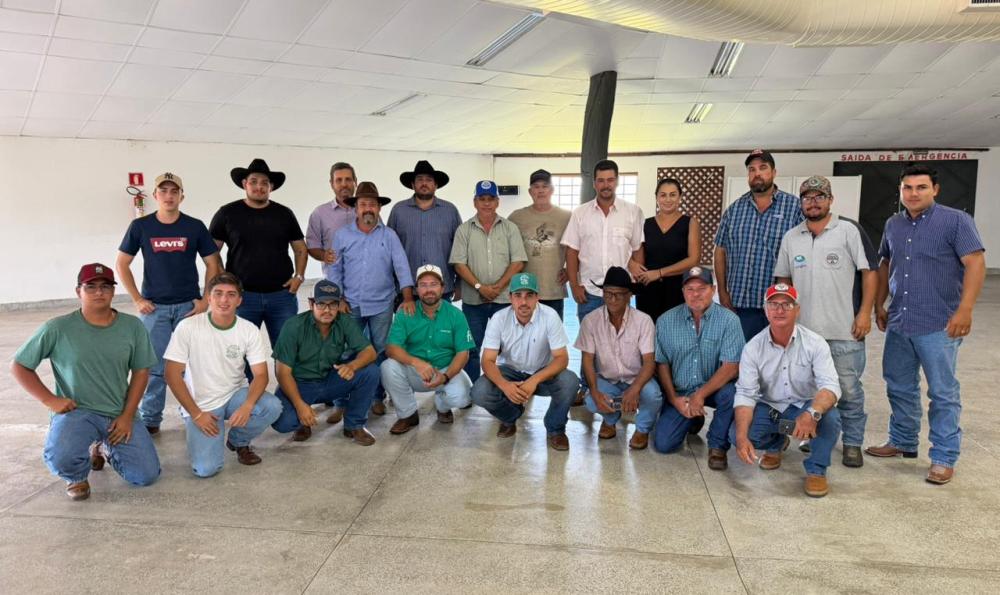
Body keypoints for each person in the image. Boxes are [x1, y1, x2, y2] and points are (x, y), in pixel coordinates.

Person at [866, 164, 985, 485]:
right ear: (900, 190)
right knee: (899, 386)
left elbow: (975, 263)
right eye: (907, 187)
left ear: (935, 189)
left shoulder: (956, 221)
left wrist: (965, 309)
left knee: (943, 392)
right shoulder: (893, 224)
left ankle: (944, 457)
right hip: (900, 320)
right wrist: (879, 304)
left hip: (939, 323)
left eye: (921, 187)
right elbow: (885, 263)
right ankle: (903, 440)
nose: (913, 193)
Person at [11, 263, 160, 500]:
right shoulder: (58, 328)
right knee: (62, 456)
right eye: (91, 286)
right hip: (77, 412)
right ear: (78, 291)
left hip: (118, 412)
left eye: (105, 286)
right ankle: (77, 476)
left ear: (113, 291)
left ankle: (104, 448)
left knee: (145, 475)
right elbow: (20, 366)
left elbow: (141, 372)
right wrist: (50, 400)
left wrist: (127, 416)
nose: (99, 292)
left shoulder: (132, 326)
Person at [774, 175, 877, 468]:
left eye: (819, 197)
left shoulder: (848, 230)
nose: (813, 202)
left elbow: (869, 272)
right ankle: (813, 437)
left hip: (843, 330)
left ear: (830, 200)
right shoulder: (792, 237)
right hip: (804, 334)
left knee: (848, 391)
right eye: (807, 198)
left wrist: (864, 313)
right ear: (801, 203)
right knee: (807, 391)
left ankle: (852, 443)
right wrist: (784, 321)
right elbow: (783, 280)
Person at [116, 172, 222, 434]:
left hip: (189, 308)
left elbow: (212, 263)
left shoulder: (194, 227)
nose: (169, 196)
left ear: (182, 196)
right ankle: (151, 420)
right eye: (163, 191)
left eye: (174, 191)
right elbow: (122, 263)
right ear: (155, 196)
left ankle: (196, 414)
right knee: (153, 369)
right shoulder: (141, 227)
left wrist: (206, 300)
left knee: (195, 366)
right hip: (155, 309)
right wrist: (137, 299)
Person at [163, 273, 282, 477]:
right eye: (218, 294)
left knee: (271, 406)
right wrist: (196, 414)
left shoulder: (248, 330)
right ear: (209, 298)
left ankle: (238, 441)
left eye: (231, 294)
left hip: (234, 394)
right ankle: (198, 430)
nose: (224, 300)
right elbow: (171, 374)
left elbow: (261, 374)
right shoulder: (188, 327)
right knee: (206, 470)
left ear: (239, 300)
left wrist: (247, 406)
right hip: (201, 404)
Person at [733, 284, 842, 498]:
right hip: (771, 409)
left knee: (830, 418)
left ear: (797, 310)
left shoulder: (815, 343)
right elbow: (745, 394)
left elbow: (830, 386)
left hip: (804, 406)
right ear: (766, 310)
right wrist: (741, 437)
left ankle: (817, 469)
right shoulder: (753, 348)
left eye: (787, 305)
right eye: (773, 304)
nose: (780, 310)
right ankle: (776, 442)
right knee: (739, 433)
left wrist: (812, 413)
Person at [329, 181, 415, 416]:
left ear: (379, 208)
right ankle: (341, 402)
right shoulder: (342, 236)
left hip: (382, 305)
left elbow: (401, 267)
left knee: (380, 351)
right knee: (345, 351)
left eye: (372, 205)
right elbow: (335, 270)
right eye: (363, 204)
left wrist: (408, 297)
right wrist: (338, 299)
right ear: (355, 208)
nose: (368, 209)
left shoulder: (389, 235)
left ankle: (377, 397)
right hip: (350, 305)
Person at [561, 159, 644, 402]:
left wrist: (635, 284)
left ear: (617, 181)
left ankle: (622, 386)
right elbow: (572, 251)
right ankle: (586, 387)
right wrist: (574, 285)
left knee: (621, 341)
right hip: (589, 291)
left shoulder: (632, 212)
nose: (605, 185)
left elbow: (637, 249)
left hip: (620, 293)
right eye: (600, 180)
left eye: (610, 180)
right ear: (594, 183)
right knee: (589, 344)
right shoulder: (580, 214)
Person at [471, 273, 580, 451]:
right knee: (479, 392)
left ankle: (556, 428)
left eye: (529, 295)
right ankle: (510, 416)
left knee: (570, 382)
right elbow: (488, 360)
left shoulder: (550, 316)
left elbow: (562, 358)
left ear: (537, 297)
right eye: (518, 295)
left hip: (542, 373)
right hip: (510, 371)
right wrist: (505, 385)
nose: (523, 302)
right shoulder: (499, 318)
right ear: (510, 298)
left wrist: (534, 380)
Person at [652, 267, 744, 470]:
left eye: (702, 288)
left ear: (713, 290)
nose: (696, 294)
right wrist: (673, 399)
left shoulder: (729, 320)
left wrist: (700, 395)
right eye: (690, 289)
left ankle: (717, 445)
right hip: (682, 391)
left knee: (732, 393)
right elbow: (662, 363)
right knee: (664, 444)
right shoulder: (665, 320)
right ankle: (694, 418)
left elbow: (731, 367)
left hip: (714, 389)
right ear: (683, 292)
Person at [209, 158, 307, 346]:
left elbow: (300, 248)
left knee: (286, 349)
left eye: (264, 183)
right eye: (253, 181)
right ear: (244, 184)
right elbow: (211, 251)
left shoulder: (284, 213)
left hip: (282, 296)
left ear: (271, 187)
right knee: (239, 349)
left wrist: (299, 276)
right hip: (242, 296)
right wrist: (223, 277)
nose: (259, 187)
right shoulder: (227, 213)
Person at [270, 280, 379, 445]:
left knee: (370, 372)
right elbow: (282, 372)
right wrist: (299, 405)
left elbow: (370, 352)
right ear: (311, 304)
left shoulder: (344, 321)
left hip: (329, 380)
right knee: (283, 423)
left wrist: (351, 366)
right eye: (321, 304)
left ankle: (354, 425)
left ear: (339, 305)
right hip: (299, 385)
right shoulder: (293, 326)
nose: (327, 310)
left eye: (333, 304)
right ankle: (302, 423)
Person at [714, 149, 803, 340]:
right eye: (752, 169)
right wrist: (722, 291)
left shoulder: (794, 208)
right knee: (743, 355)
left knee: (779, 354)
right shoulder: (734, 210)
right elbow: (720, 251)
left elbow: (804, 252)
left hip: (779, 304)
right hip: (741, 305)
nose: (757, 173)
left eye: (763, 168)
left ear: (774, 172)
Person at [383, 265, 476, 434]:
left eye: (433, 284)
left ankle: (442, 406)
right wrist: (416, 363)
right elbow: (391, 348)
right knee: (387, 367)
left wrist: (445, 377)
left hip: (445, 369)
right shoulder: (405, 313)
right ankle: (408, 415)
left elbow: (463, 353)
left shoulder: (456, 315)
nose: (428, 290)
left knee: (463, 398)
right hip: (414, 371)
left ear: (442, 288)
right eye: (423, 285)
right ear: (416, 290)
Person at [576, 267, 661, 450]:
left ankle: (642, 429)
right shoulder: (590, 321)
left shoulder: (643, 321)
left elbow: (649, 362)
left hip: (637, 378)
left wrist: (635, 389)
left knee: (653, 395)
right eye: (608, 294)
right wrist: (594, 390)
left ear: (629, 295)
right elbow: (587, 361)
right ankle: (610, 419)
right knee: (591, 399)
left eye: (619, 294)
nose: (612, 299)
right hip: (607, 379)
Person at [450, 180, 528, 381]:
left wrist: (498, 287)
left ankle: (509, 388)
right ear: (475, 202)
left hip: (504, 301)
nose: (486, 203)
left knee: (509, 348)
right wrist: (480, 287)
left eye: (491, 199)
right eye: (482, 199)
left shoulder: (510, 228)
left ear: (497, 202)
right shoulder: (464, 230)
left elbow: (518, 261)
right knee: (471, 348)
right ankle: (472, 389)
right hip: (473, 302)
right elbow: (459, 264)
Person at [388, 160, 463, 300]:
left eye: (429, 180)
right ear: (412, 184)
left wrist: (459, 284)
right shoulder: (398, 211)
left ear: (436, 185)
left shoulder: (450, 211)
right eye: (420, 179)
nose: (424, 183)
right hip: (407, 290)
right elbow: (389, 250)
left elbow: (460, 249)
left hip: (442, 288)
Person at [633, 177, 701, 323]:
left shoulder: (690, 223)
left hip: (678, 290)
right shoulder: (645, 224)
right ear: (657, 198)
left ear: (680, 197)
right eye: (663, 195)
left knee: (675, 331)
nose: (668, 199)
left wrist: (659, 273)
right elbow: (639, 259)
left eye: (672, 195)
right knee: (648, 331)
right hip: (648, 290)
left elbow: (693, 260)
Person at [508, 169, 571, 319]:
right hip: (524, 289)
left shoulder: (567, 217)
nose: (541, 191)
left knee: (553, 332)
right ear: (530, 192)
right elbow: (505, 249)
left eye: (545, 186)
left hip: (554, 289)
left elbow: (577, 247)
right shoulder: (516, 217)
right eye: (536, 187)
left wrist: (570, 270)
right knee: (524, 330)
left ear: (552, 190)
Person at [305, 162, 356, 279]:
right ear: (332, 184)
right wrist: (324, 255)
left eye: (348, 179)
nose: (344, 184)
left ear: (355, 182)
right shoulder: (319, 213)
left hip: (366, 281)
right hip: (334, 281)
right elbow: (312, 246)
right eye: (339, 180)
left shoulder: (367, 211)